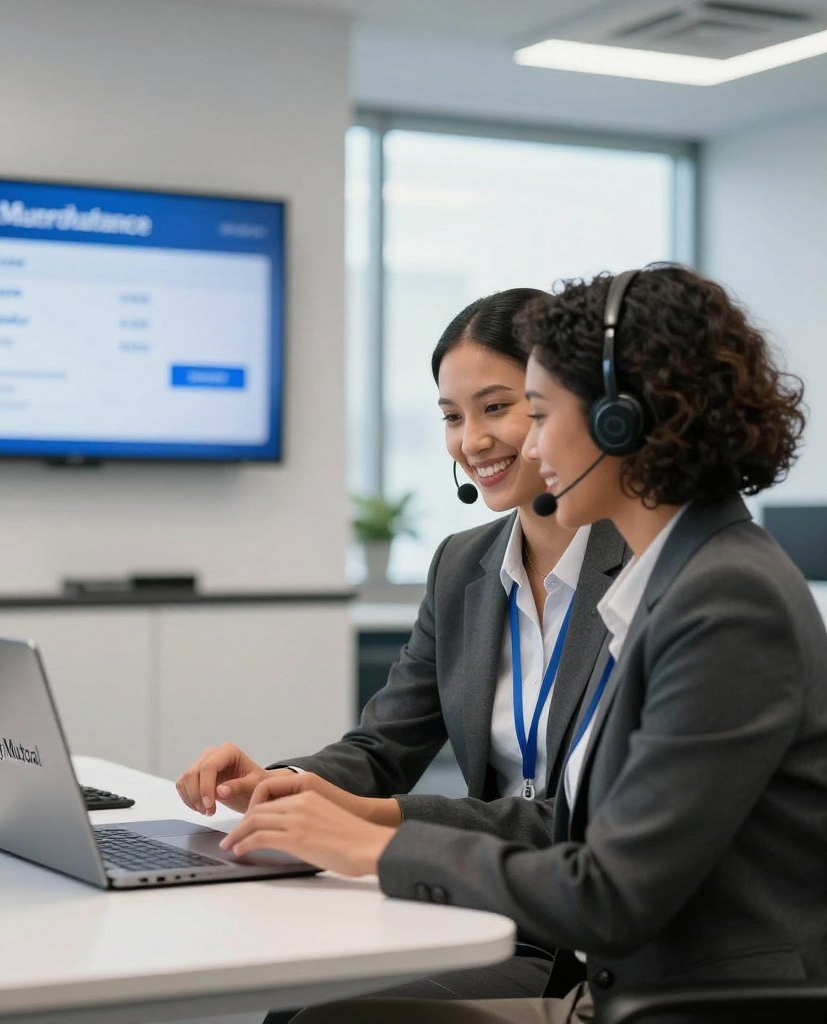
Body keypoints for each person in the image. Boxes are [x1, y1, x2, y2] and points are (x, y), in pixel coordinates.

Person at [221, 265, 827, 1024]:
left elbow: (610, 890)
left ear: (621, 421)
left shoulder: (725, 600)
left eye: (535, 413)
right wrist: (329, 805)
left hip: (684, 999)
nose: (526, 447)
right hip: (610, 969)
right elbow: (570, 826)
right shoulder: (680, 577)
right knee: (304, 1008)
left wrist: (377, 845)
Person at [177, 288, 629, 999]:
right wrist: (281, 783)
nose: (471, 441)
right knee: (295, 1002)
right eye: (452, 416)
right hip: (490, 909)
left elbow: (588, 817)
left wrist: (375, 825)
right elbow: (382, 748)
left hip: (588, 935)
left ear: (564, 408)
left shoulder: (642, 571)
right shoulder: (463, 566)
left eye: (496, 407)